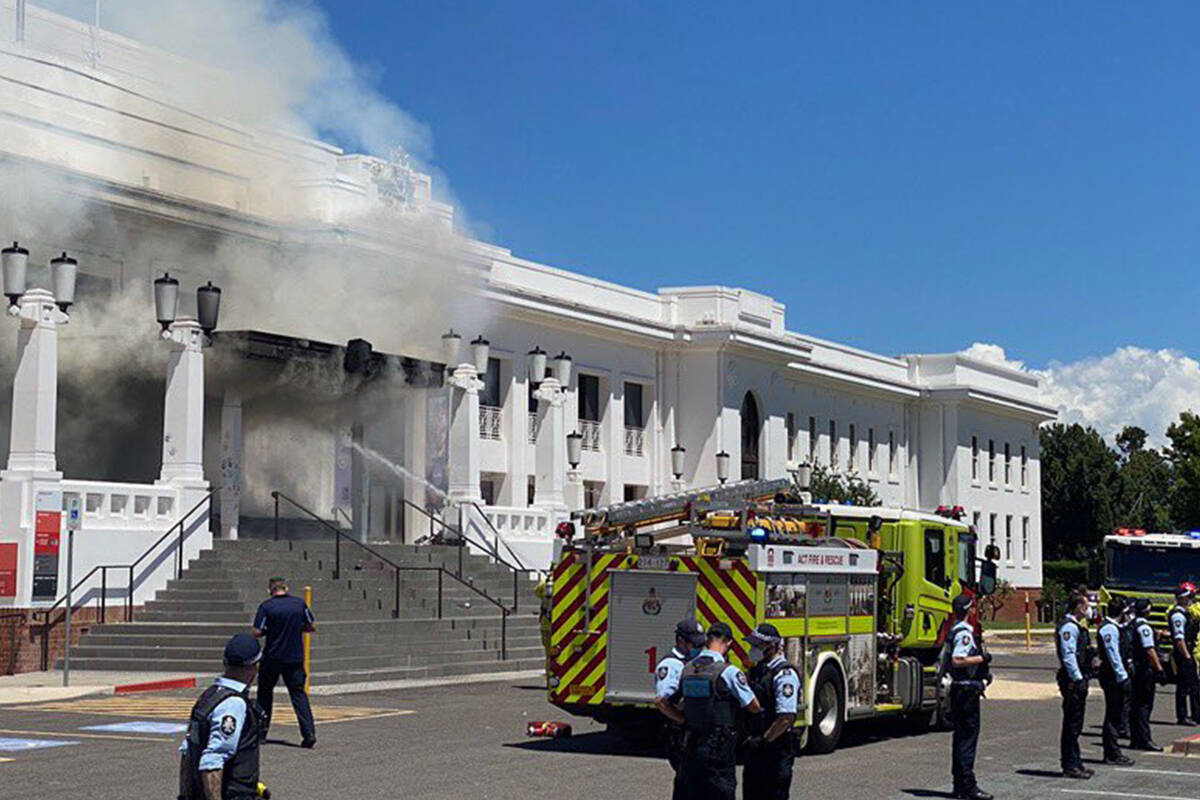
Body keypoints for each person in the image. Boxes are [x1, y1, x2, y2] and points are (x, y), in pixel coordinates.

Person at [676, 621, 762, 800]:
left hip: (691, 743)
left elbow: (683, 704)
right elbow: (753, 706)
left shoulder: (688, 669)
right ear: (728, 643)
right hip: (718, 747)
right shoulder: (728, 672)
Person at [179, 633, 266, 800]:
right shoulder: (233, 704)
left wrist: (184, 795)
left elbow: (188, 753)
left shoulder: (209, 696)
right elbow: (212, 762)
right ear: (254, 667)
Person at [252, 577, 316, 747]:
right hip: (294, 657)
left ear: (270, 590)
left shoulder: (266, 607)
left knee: (265, 694)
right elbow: (311, 626)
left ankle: (261, 732)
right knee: (298, 695)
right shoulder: (299, 604)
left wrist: (270, 630)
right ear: (286, 588)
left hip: (272, 656)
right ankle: (308, 733)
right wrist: (297, 629)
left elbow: (257, 631)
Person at [741, 623, 800, 800]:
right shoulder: (758, 670)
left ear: (773, 646)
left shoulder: (784, 675)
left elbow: (786, 718)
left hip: (775, 749)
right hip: (756, 747)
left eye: (758, 645)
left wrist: (764, 742)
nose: (753, 649)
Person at [947, 593, 993, 800]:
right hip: (965, 691)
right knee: (967, 739)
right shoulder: (964, 633)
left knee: (961, 738)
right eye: (973, 608)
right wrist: (981, 658)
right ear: (969, 611)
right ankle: (967, 786)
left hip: (961, 689)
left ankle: (960, 785)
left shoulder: (955, 629)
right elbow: (958, 660)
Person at [652, 618, 706, 782]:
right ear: (680, 640)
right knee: (688, 780)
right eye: (694, 644)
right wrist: (681, 720)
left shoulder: (691, 661)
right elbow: (662, 701)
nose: (698, 648)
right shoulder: (671, 664)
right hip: (680, 734)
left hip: (693, 729)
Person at [1057, 593, 1094, 780]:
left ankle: (1076, 761)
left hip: (1079, 677)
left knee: (1077, 723)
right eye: (1086, 605)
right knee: (1071, 724)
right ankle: (1069, 764)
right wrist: (1077, 679)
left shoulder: (1078, 627)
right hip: (1072, 680)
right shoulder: (1069, 628)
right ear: (1079, 607)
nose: (1088, 609)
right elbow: (1068, 656)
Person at [1096, 598, 1134, 766]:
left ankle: (1113, 750)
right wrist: (1122, 676)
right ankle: (1111, 753)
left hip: (1115, 675)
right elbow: (1113, 654)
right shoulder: (1109, 629)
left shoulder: (1116, 628)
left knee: (1116, 714)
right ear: (1122, 612)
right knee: (1113, 715)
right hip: (1113, 676)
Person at [1129, 597, 1166, 751]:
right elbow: (1149, 649)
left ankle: (1135, 738)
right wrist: (1159, 669)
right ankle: (1144, 739)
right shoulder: (1144, 627)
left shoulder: (1132, 624)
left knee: (1135, 705)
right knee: (1144, 705)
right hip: (1143, 670)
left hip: (1134, 669)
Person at [1168, 582, 1200, 725]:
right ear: (1183, 598)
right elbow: (1179, 638)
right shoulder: (1178, 616)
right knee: (1184, 685)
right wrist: (1187, 657)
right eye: (1190, 596)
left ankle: (1195, 714)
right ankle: (1183, 716)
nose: (1192, 600)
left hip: (1188, 650)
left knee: (1193, 685)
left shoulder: (1185, 613)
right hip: (1183, 653)